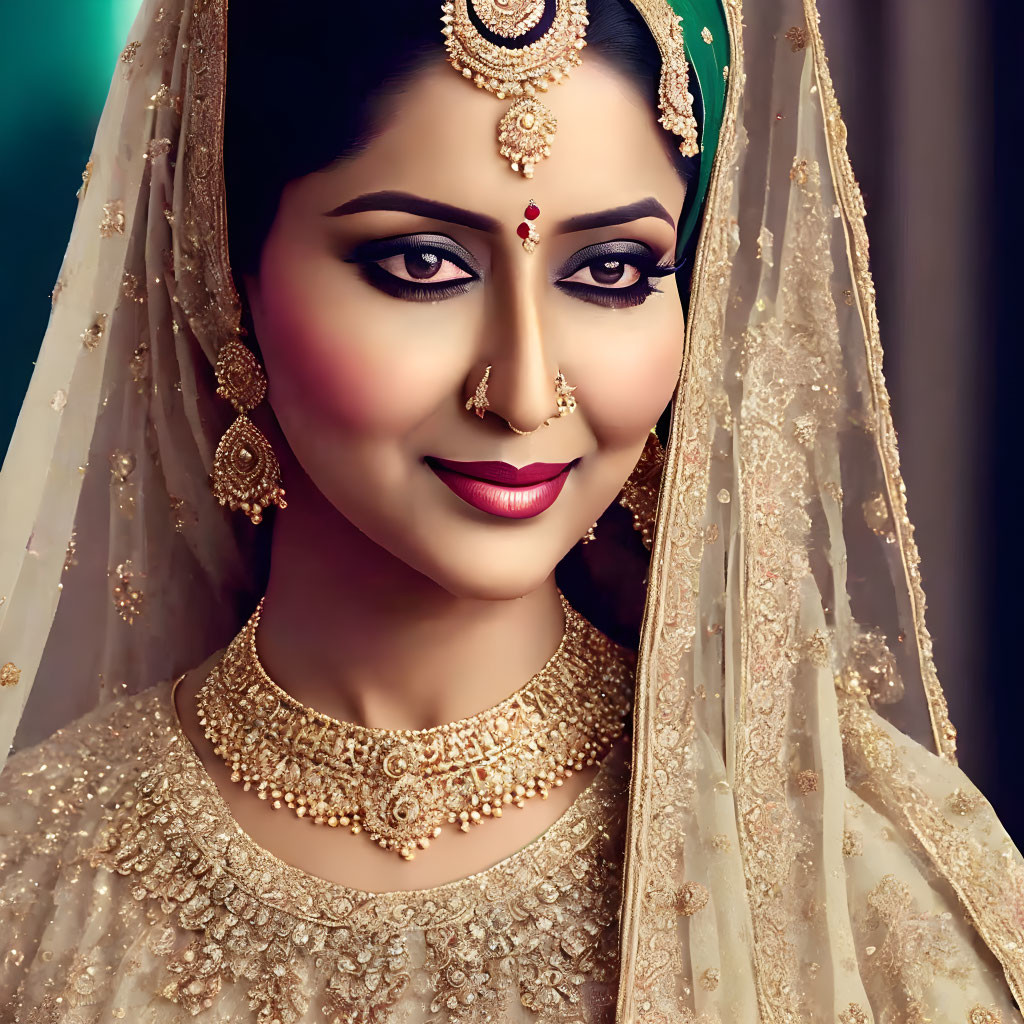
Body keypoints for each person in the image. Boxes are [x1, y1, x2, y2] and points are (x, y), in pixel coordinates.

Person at [0, 0, 1021, 1020]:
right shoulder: (34, 879)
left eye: (611, 270)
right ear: (226, 272)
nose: (525, 393)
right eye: (421, 264)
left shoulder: (857, 881)